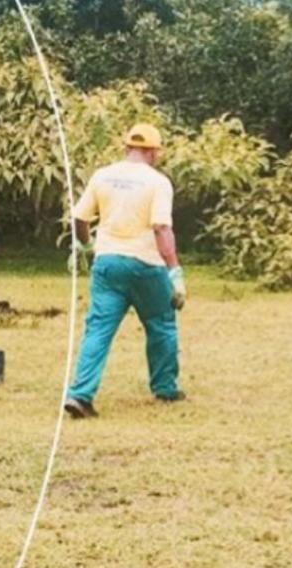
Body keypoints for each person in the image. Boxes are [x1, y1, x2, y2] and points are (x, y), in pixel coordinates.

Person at [64, 123, 186, 419]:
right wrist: (175, 273)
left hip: (107, 263)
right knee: (161, 325)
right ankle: (165, 388)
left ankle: (80, 395)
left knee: (98, 329)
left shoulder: (102, 176)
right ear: (153, 151)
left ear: (127, 147)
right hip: (146, 265)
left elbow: (79, 218)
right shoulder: (158, 182)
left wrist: (87, 246)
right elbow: (161, 229)